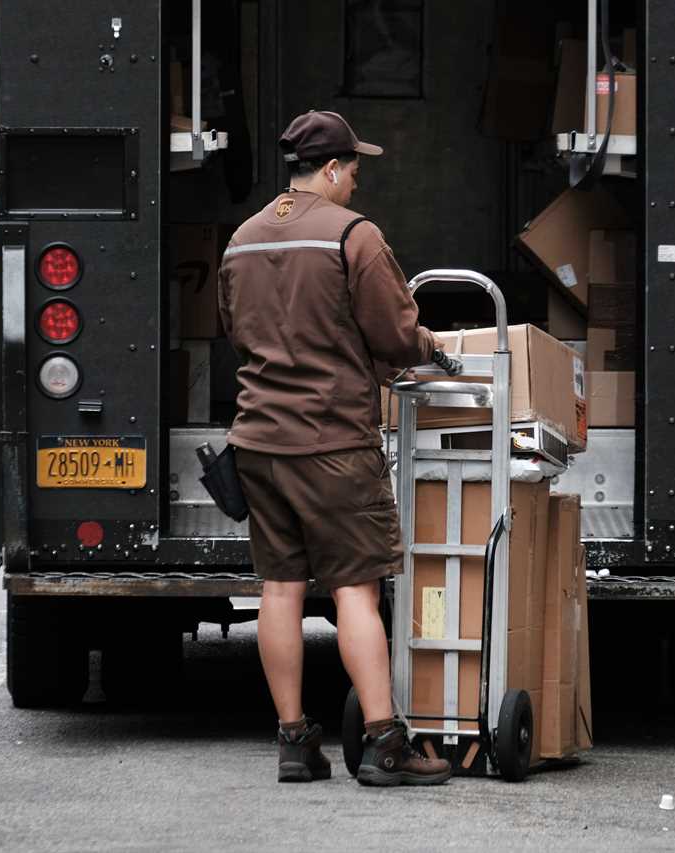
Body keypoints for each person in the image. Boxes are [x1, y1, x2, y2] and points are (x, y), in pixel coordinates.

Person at [218, 110, 450, 787]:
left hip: (258, 441)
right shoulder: (354, 235)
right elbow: (396, 335)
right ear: (328, 169)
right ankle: (384, 743)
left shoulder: (241, 240)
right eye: (351, 169)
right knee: (355, 587)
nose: (355, 182)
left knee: (280, 587)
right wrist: (429, 345)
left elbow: (235, 329)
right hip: (333, 443)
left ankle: (294, 741)